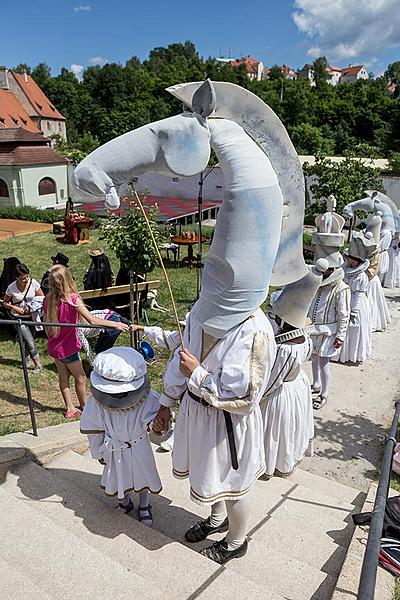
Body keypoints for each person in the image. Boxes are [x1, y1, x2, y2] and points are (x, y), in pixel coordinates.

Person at [80, 347, 162, 525]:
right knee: (117, 475)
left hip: (138, 444)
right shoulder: (96, 401)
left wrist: (156, 424)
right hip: (113, 446)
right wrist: (98, 451)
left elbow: (151, 418)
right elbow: (94, 428)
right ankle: (125, 501)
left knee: (142, 475)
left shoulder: (147, 398)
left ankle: (145, 505)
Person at [261, 259, 327, 478]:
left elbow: (272, 380)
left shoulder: (287, 349)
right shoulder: (304, 337)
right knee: (289, 431)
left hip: (280, 392)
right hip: (297, 386)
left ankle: (269, 464)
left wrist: (255, 397)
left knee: (274, 432)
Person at [43, 264, 130, 419]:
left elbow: (46, 325)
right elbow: (91, 319)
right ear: (68, 280)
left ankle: (70, 408)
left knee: (63, 378)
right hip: (68, 348)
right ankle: (84, 407)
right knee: (81, 378)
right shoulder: (73, 300)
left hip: (55, 347)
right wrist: (115, 324)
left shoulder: (48, 300)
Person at [310, 198, 350, 409]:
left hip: (329, 331)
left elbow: (343, 314)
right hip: (314, 329)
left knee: (324, 361)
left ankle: (324, 393)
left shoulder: (341, 288)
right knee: (315, 358)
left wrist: (341, 335)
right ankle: (315, 383)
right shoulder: (318, 284)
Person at [333, 232, 373, 364]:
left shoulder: (361, 276)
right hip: (344, 299)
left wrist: (354, 311)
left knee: (353, 329)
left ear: (356, 260)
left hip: (355, 303)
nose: (347, 259)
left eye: (350, 258)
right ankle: (339, 353)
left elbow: (359, 294)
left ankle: (351, 354)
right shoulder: (346, 269)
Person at [3, 263, 43, 373]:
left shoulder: (33, 283)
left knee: (28, 340)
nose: (26, 280)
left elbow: (41, 298)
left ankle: (26, 359)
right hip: (18, 318)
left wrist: (31, 307)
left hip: (32, 317)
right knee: (29, 341)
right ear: (16, 278)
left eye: (27, 277)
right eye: (23, 278)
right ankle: (38, 365)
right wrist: (14, 308)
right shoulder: (11, 288)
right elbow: (5, 302)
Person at [364, 213, 391, 332]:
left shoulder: (375, 254)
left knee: (372, 304)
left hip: (370, 280)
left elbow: (372, 270)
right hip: (366, 278)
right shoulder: (366, 250)